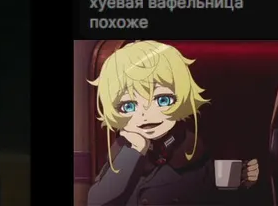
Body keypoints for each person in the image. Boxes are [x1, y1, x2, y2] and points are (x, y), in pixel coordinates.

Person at [87, 41, 259, 205]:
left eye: (162, 100)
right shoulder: (121, 154)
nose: (146, 114)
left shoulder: (190, 150)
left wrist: (244, 177)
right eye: (129, 106)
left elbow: (213, 186)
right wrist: (134, 151)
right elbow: (97, 200)